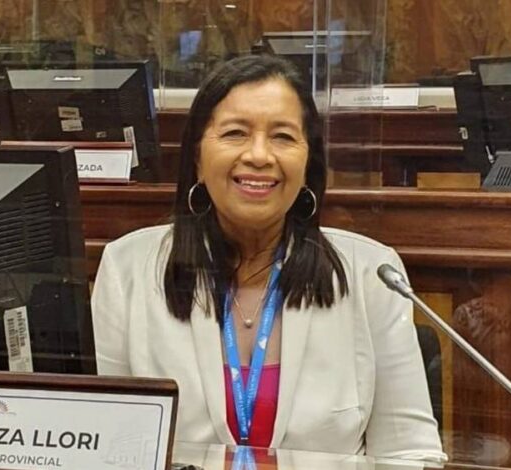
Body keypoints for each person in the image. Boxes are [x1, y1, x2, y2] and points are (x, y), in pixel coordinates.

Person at [91, 55, 446, 462]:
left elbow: (409, 453)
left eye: (282, 137)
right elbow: (110, 449)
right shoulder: (128, 270)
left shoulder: (372, 276)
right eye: (235, 133)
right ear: (196, 160)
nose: (259, 155)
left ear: (308, 161)